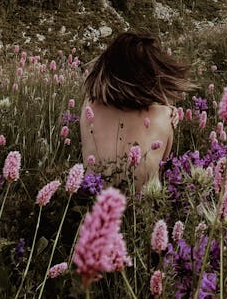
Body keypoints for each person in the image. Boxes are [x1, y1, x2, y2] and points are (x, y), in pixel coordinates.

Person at [80, 32, 192, 192]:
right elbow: (162, 164)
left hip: (95, 205)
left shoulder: (89, 107)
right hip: (141, 211)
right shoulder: (164, 116)